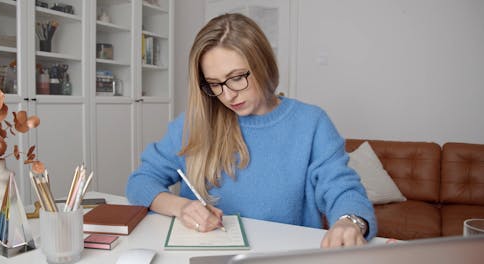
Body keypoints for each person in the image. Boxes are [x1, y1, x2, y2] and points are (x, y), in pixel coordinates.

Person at [127, 13, 377, 248]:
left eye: (236, 77)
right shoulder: (195, 123)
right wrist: (180, 207)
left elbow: (343, 190)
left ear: (263, 64)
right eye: (214, 84)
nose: (227, 95)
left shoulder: (311, 123)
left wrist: (350, 221)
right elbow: (140, 182)